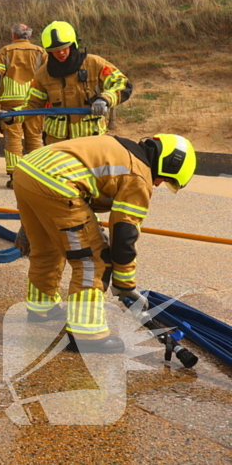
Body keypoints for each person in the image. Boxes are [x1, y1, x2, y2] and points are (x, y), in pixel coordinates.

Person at [14, 134, 196, 354]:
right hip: (57, 184)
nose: (158, 184)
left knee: (47, 249)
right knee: (93, 262)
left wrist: (29, 227)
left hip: (27, 170)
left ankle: (42, 307)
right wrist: (125, 282)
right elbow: (124, 232)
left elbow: (83, 187)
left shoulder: (120, 148)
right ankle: (86, 335)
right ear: (169, 163)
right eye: (165, 180)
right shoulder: (138, 174)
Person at [7, 21, 131, 144]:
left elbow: (122, 84)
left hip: (91, 142)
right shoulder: (43, 74)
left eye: (64, 47)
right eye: (55, 50)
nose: (60, 53)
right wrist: (11, 115)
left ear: (73, 44)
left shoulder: (95, 64)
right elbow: (33, 105)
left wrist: (104, 100)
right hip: (57, 144)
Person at [0, 24, 47, 188]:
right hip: (35, 102)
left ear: (13, 36)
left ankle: (15, 178)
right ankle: (38, 176)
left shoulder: (5, 51)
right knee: (34, 138)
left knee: (13, 141)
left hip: (10, 103)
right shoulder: (40, 52)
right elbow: (49, 76)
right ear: (30, 35)